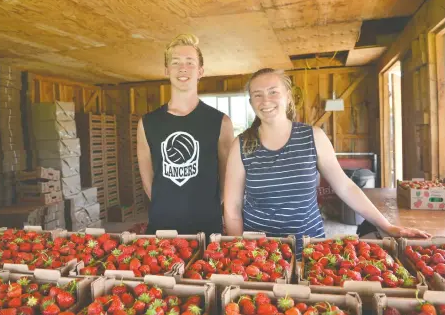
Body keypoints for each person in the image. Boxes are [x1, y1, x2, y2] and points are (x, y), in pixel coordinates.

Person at [223, 68, 431, 255]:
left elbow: (345, 187)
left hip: (309, 248)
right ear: (251, 103)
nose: (265, 100)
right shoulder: (241, 145)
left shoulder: (313, 136)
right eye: (257, 95)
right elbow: (232, 207)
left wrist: (387, 225)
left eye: (273, 92)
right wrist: (241, 251)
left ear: (288, 96)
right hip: (260, 254)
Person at [137, 34, 234, 237]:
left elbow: (227, 180)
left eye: (190, 62)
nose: (183, 68)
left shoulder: (221, 122)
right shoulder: (147, 123)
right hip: (162, 229)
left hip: (207, 229)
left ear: (200, 71)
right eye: (176, 63)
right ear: (166, 71)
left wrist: (207, 208)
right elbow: (148, 182)